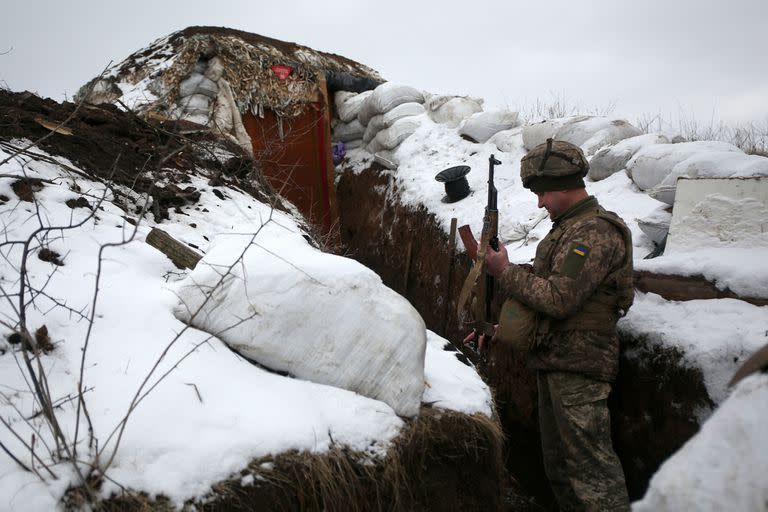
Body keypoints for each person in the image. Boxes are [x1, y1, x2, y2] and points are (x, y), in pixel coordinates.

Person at [482, 139, 634, 511]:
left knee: (593, 477)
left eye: (543, 193)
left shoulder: (593, 232)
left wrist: (503, 272)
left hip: (580, 369)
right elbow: (546, 288)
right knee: (560, 470)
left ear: (565, 185)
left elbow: (559, 298)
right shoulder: (567, 228)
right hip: (554, 361)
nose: (539, 203)